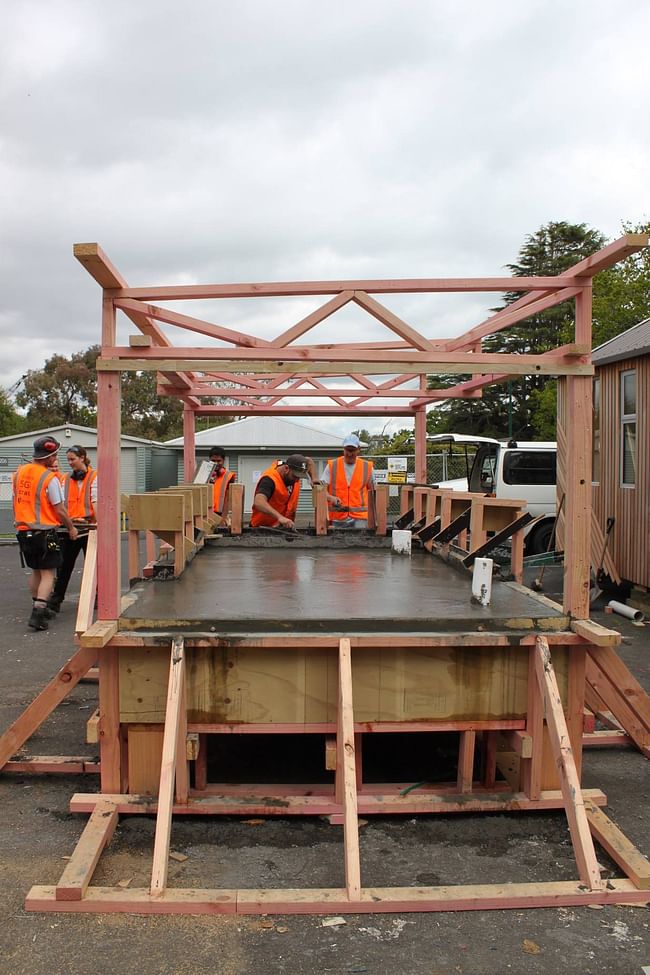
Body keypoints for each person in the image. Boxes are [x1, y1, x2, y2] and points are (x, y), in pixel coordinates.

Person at [12, 436, 79, 631]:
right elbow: (59, 509)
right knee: (49, 574)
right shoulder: (48, 478)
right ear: (49, 456)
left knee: (36, 571)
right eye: (55, 455)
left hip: (24, 530)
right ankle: (38, 614)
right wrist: (71, 527)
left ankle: (37, 605)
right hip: (43, 532)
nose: (56, 458)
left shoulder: (19, 472)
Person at [47, 445, 97, 613]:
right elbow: (60, 504)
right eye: (68, 460)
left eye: (72, 459)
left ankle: (98, 595)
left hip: (90, 527)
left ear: (82, 458)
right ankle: (55, 601)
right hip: (71, 527)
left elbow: (96, 501)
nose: (69, 463)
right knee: (65, 565)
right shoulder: (64, 479)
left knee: (95, 566)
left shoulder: (95, 477)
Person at [322, 434, 375, 528]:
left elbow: (373, 492)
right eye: (347, 450)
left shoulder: (367, 467)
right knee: (338, 541)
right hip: (338, 516)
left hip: (361, 517)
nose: (350, 454)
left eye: (352, 450)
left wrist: (374, 517)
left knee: (359, 541)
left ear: (358, 449)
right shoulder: (332, 465)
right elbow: (321, 490)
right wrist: (330, 498)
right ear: (343, 449)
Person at [250, 454, 317, 529]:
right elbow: (259, 502)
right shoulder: (269, 480)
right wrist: (280, 517)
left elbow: (309, 461)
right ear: (286, 468)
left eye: (299, 477)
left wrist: (314, 478)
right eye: (295, 476)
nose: (297, 480)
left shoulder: (292, 470)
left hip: (283, 527)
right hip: (261, 528)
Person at [208, 446, 236, 518]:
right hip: (205, 513)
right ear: (209, 460)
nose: (216, 463)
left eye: (219, 461)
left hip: (219, 514)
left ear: (223, 460)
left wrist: (223, 519)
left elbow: (227, 500)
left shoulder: (228, 476)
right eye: (213, 461)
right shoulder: (203, 475)